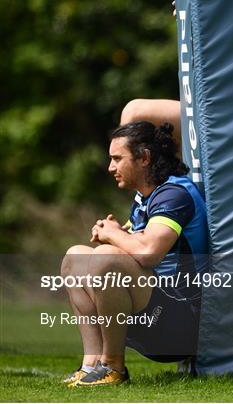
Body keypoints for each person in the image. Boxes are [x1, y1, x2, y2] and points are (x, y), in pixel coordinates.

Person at [61, 121, 208, 387]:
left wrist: (113, 235)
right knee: (75, 257)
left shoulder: (174, 195)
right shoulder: (147, 197)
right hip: (157, 313)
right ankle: (92, 365)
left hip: (183, 325)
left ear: (144, 157)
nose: (110, 167)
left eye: (117, 159)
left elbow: (148, 252)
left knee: (106, 257)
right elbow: (133, 242)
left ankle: (113, 367)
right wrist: (112, 231)